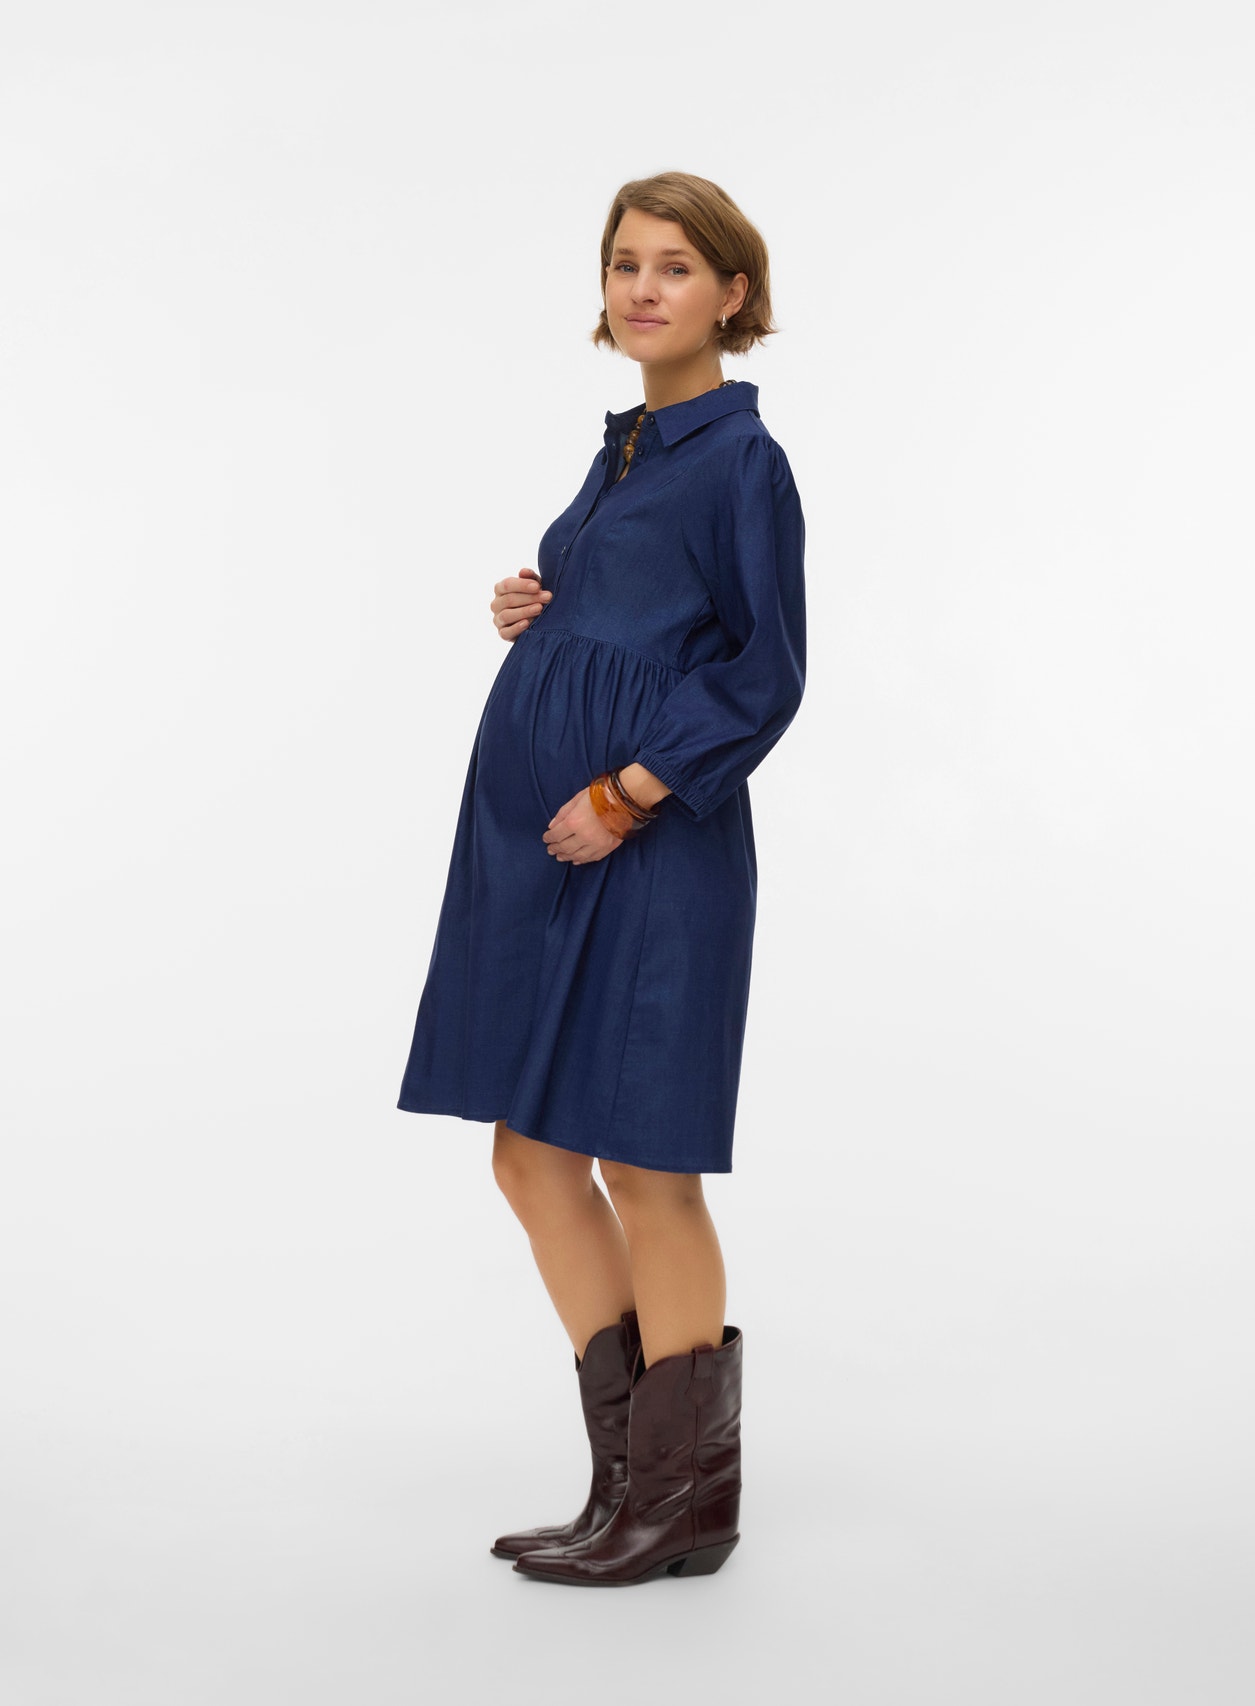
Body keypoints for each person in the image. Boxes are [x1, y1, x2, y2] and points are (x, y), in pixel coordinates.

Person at [396, 171, 806, 1585]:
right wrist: (546, 604)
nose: (643, 288)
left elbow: (763, 669)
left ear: (733, 294)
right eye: (626, 263)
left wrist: (628, 793)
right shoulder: (626, 446)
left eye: (676, 267)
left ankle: (683, 1504)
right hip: (541, 850)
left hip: (650, 847)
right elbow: (641, 619)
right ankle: (630, 1485)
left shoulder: (740, 460)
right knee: (528, 1154)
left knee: (643, 1160)